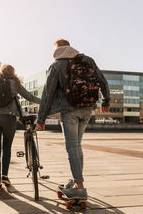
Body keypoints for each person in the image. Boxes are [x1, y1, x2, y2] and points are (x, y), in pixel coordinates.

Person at [36, 38, 110, 198]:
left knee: (72, 148)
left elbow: (48, 95)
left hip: (69, 110)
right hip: (88, 109)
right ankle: (77, 182)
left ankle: (80, 187)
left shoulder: (56, 66)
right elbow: (102, 80)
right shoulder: (87, 60)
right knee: (77, 146)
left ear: (57, 49)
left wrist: (41, 120)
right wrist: (106, 100)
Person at [0, 65, 40, 192]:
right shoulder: (14, 83)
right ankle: (5, 176)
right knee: (6, 148)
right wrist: (44, 101)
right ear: (12, 72)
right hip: (9, 118)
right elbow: (29, 97)